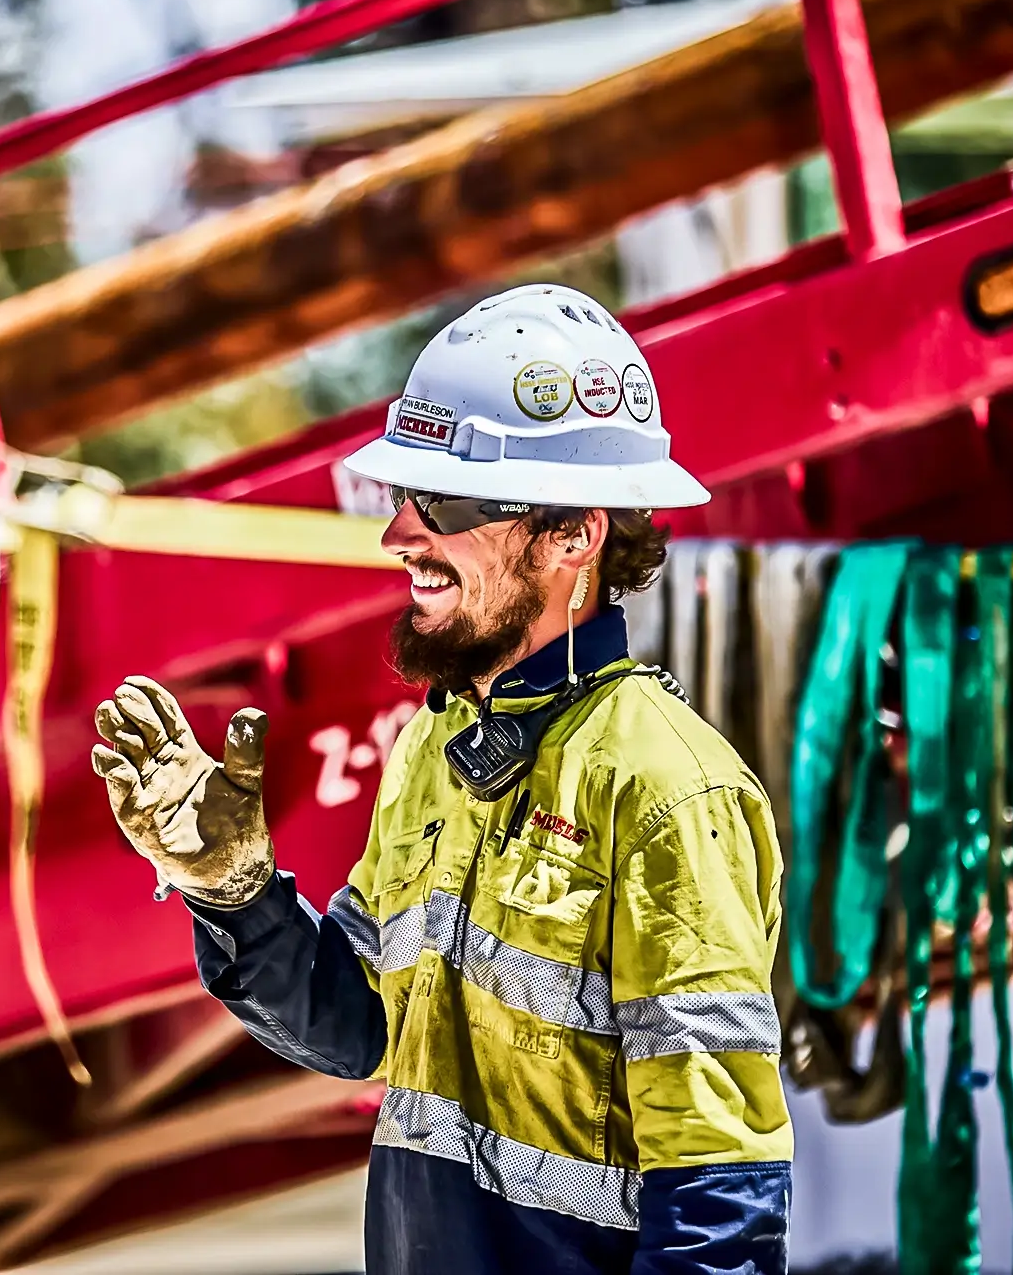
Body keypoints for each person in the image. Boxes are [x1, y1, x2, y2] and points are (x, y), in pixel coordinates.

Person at [91, 284, 791, 1273]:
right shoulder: (435, 751)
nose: (399, 535)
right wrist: (233, 890)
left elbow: (721, 1194)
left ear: (573, 537)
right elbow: (355, 1028)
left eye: (444, 503)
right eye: (398, 497)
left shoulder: (668, 793)